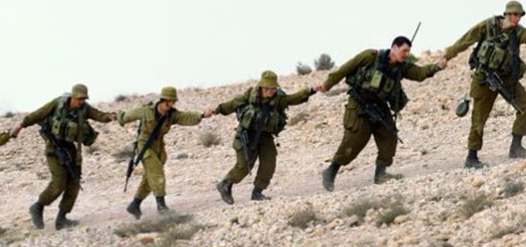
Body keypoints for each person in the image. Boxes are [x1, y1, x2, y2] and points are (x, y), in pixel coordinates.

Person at [316, 36, 447, 191]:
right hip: (359, 102)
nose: (406, 54)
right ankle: (331, 171)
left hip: (379, 105)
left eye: (408, 52)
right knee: (354, 140)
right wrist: (327, 84)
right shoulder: (370, 57)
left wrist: (437, 67)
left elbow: (419, 73)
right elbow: (345, 69)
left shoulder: (401, 67)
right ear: (394, 47)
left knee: (389, 137)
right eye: (404, 50)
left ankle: (381, 175)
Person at [443, 1, 526, 168]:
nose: (517, 18)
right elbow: (466, 39)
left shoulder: (517, 32)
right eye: (514, 15)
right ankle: (472, 157)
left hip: (505, 78)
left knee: (525, 106)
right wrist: (447, 56)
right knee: (479, 118)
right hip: (484, 77)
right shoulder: (488, 26)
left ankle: (516, 147)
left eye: (519, 15)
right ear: (506, 14)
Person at [13, 84, 115, 230]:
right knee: (59, 183)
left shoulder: (84, 108)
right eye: (79, 99)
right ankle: (38, 206)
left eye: (84, 99)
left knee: (74, 182)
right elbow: (38, 114)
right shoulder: (58, 103)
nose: (81, 101)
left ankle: (62, 218)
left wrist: (110, 116)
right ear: (72, 96)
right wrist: (20, 126)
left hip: (71, 149)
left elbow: (99, 115)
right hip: (54, 148)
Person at [208, 70, 315, 204]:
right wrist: (217, 109)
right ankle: (225, 184)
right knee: (244, 166)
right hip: (247, 134)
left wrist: (311, 90)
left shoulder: (278, 98)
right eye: (267, 89)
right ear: (261, 87)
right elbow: (233, 103)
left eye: (273, 89)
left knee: (269, 164)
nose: (270, 91)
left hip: (265, 136)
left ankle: (257, 192)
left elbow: (293, 99)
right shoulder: (250, 94)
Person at [119, 86, 208, 218]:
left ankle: (135, 204)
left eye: (173, 102)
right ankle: (161, 206)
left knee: (150, 178)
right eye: (169, 102)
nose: (171, 105)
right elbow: (127, 116)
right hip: (145, 147)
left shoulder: (171, 114)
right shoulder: (146, 111)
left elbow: (185, 117)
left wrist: (201, 115)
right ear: (162, 100)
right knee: (157, 174)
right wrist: (117, 117)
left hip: (159, 147)